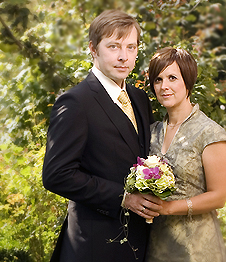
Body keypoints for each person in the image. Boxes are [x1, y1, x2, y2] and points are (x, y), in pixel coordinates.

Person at [42, 10, 159, 261]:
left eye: (131, 47)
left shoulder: (139, 98)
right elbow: (56, 175)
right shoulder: (75, 102)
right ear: (93, 49)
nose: (123, 56)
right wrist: (123, 198)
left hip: (140, 241)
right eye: (113, 46)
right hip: (94, 245)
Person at [145, 47, 226, 261]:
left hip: (196, 248)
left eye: (172, 78)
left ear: (188, 81)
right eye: (158, 79)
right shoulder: (152, 131)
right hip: (155, 246)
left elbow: (219, 196)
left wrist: (169, 207)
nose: (164, 86)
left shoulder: (209, 133)